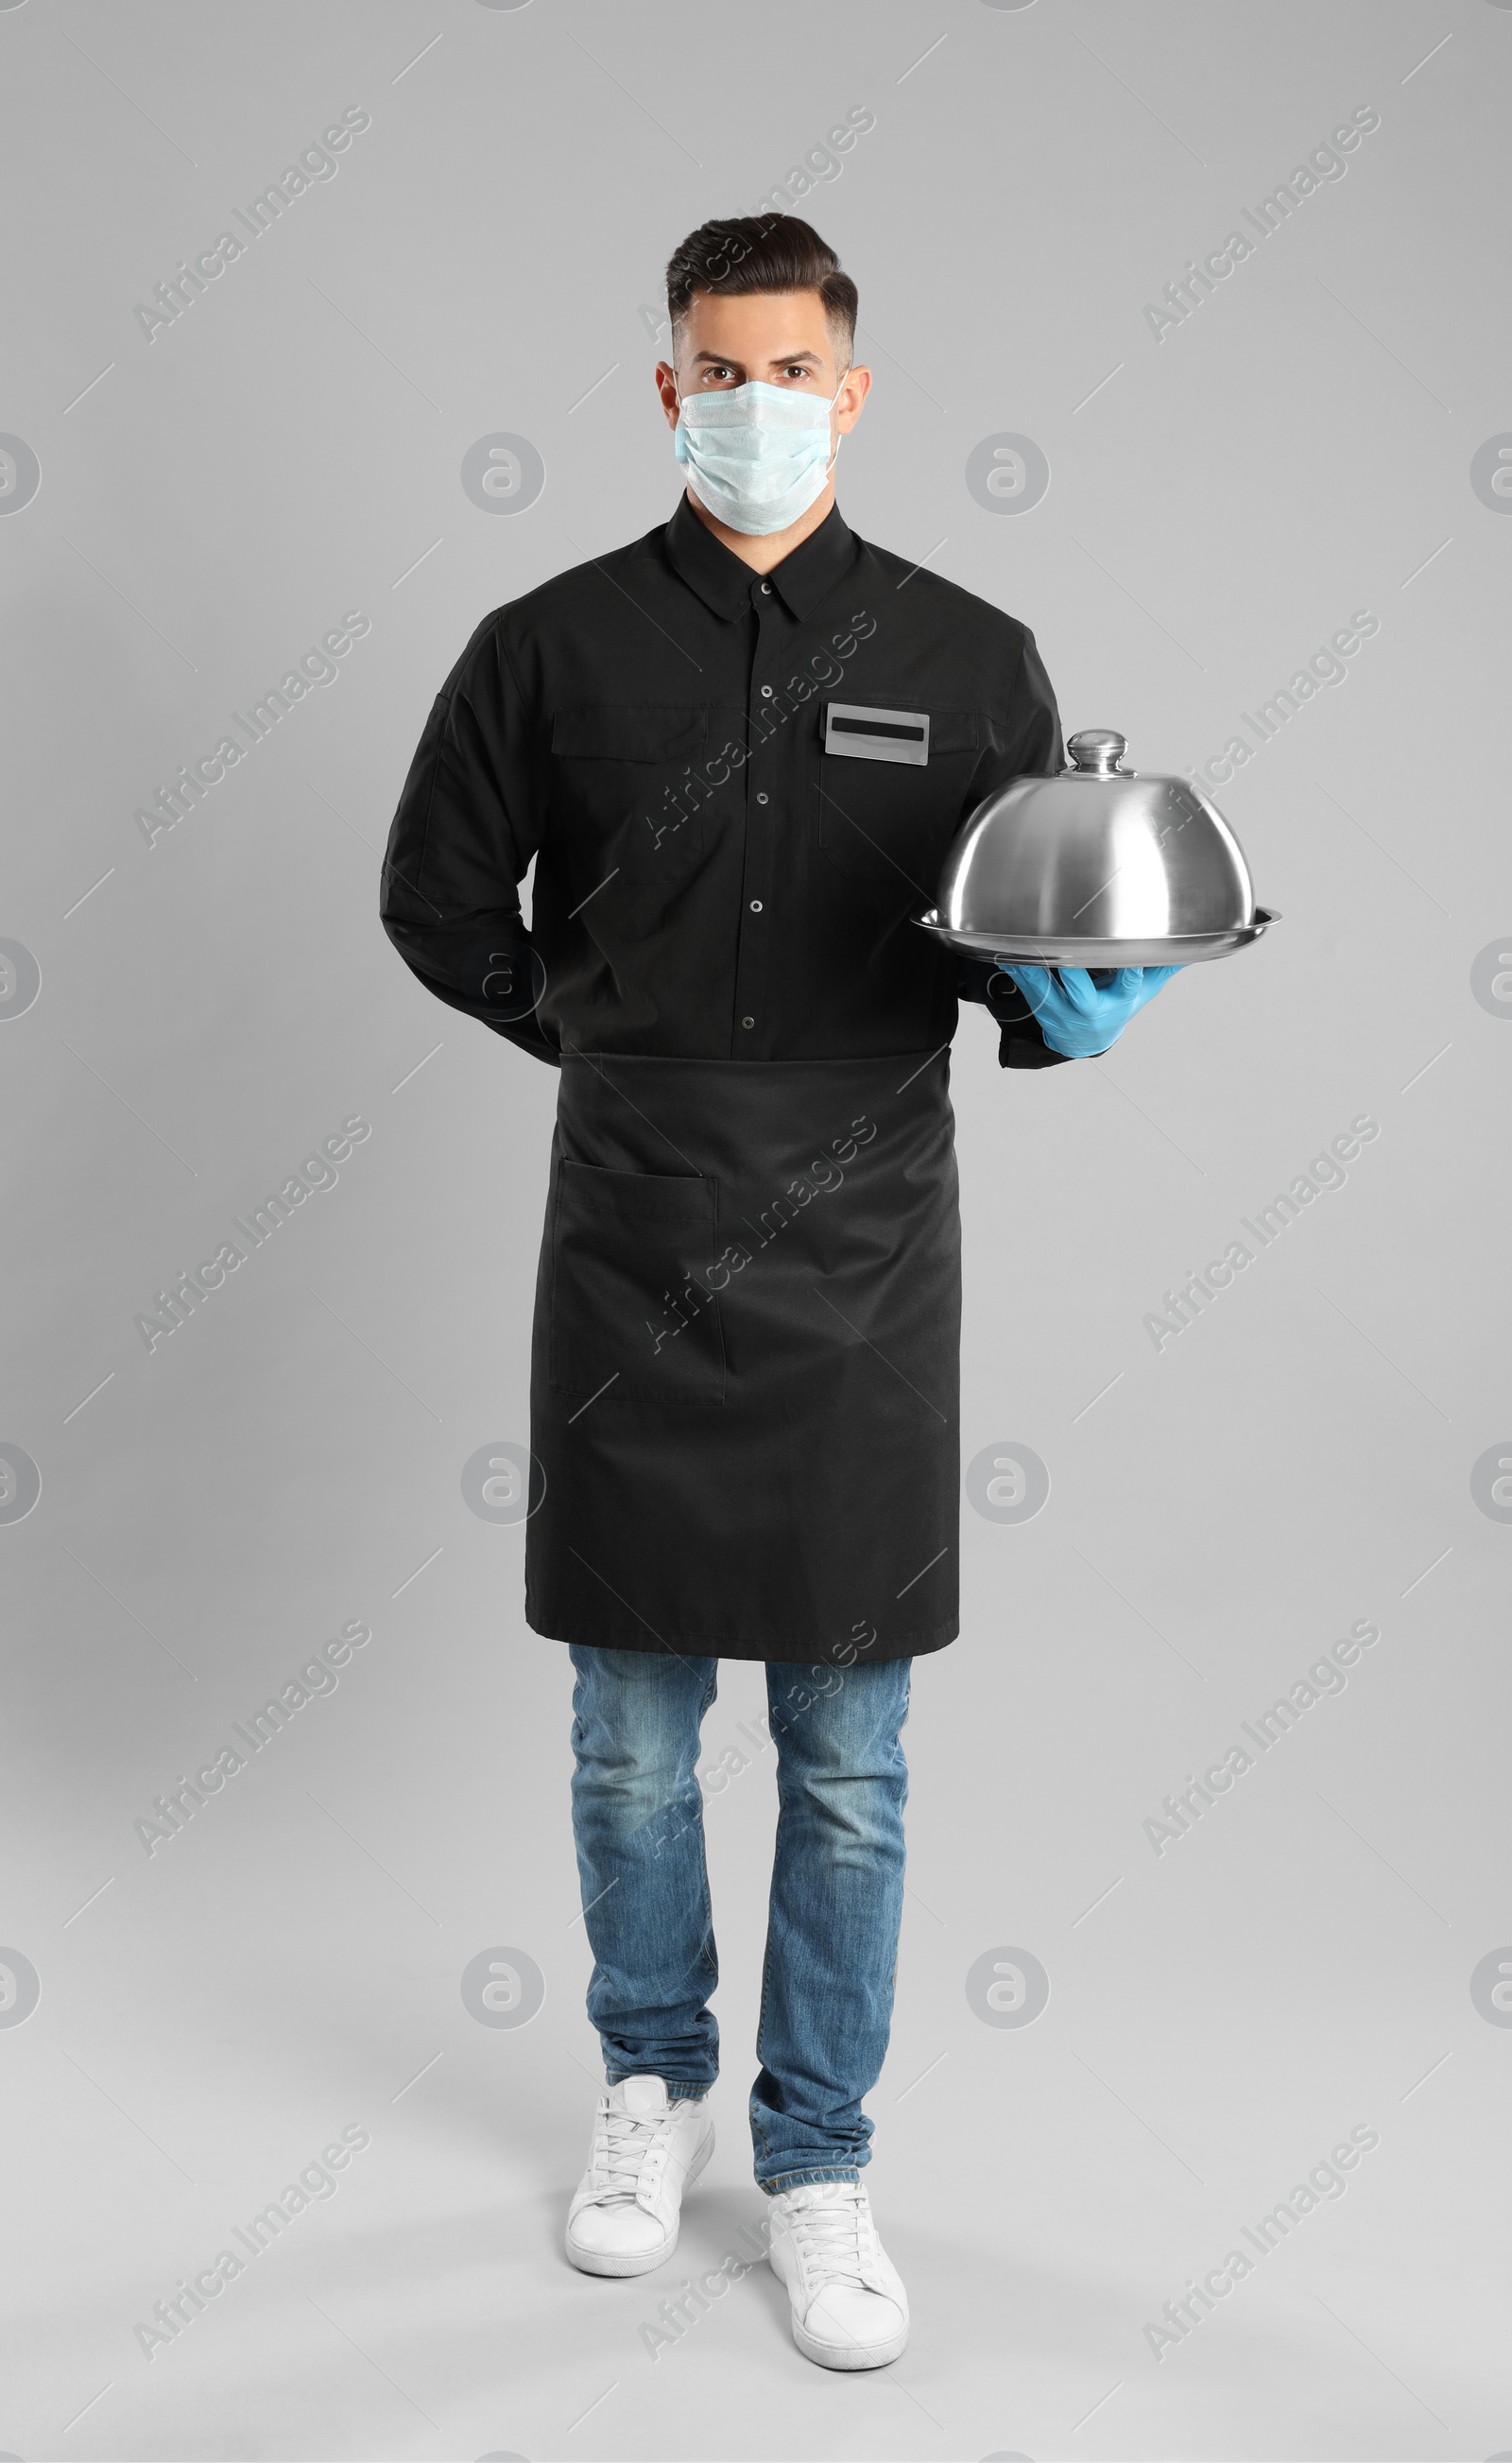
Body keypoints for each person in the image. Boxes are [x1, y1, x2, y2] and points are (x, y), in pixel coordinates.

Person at [379, 215, 1177, 2370]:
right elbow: (434, 900)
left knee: (848, 1753)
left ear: (848, 384)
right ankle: (649, 2088)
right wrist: (605, 1036)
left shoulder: (970, 650)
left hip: (862, 1255)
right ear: (665, 390)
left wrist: (1068, 1005)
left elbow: (1032, 933)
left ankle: (816, 2159)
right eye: (713, 372)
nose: (752, 405)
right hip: (631, 1232)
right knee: (628, 1740)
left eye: (789, 369)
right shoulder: (543, 649)